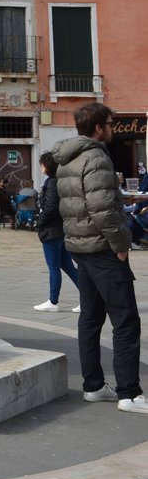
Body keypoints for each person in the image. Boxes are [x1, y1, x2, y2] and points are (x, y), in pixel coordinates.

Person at [55, 103, 148, 413]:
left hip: (80, 247)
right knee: (126, 321)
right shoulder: (96, 157)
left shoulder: (67, 158)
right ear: (98, 128)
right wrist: (122, 243)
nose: (112, 128)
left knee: (91, 318)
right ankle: (130, 393)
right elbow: (103, 208)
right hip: (103, 249)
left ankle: (93, 386)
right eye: (110, 124)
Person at [32, 152, 80, 312]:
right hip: (59, 229)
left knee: (54, 267)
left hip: (52, 231)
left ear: (46, 165)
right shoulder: (58, 181)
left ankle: (53, 302)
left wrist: (39, 223)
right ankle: (89, 298)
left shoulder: (52, 182)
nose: (41, 167)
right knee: (68, 266)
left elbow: (50, 207)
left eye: (41, 164)